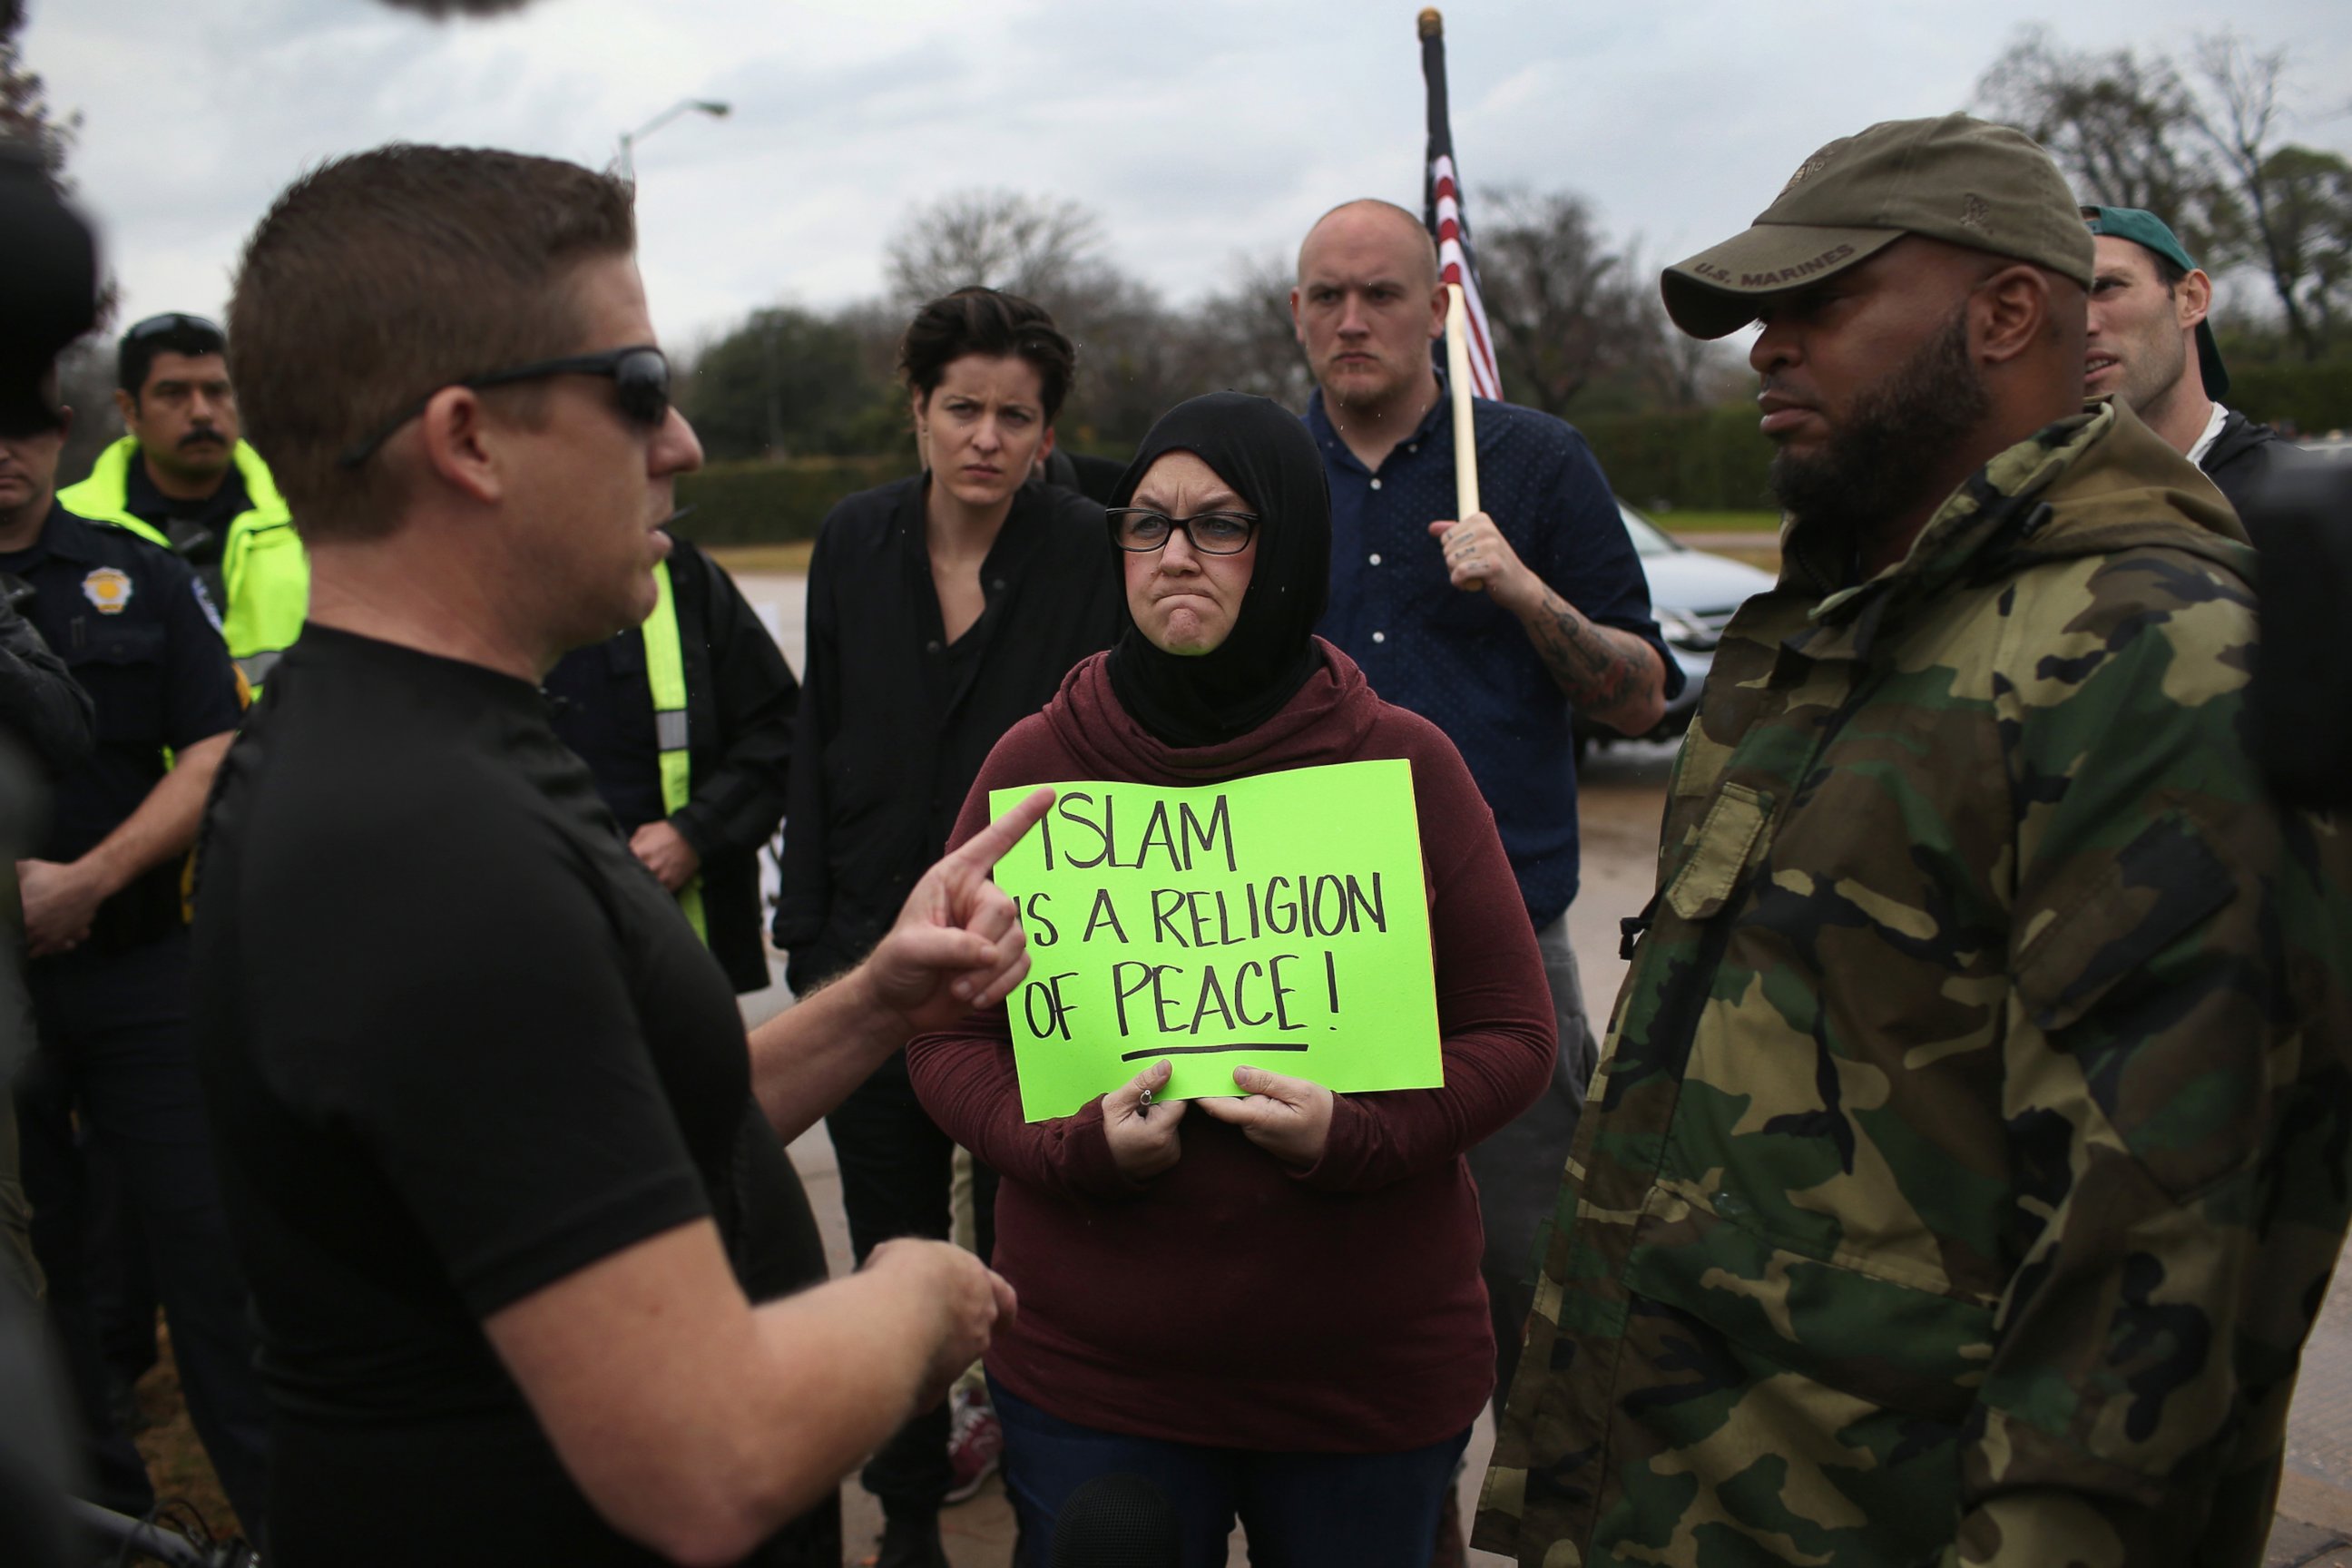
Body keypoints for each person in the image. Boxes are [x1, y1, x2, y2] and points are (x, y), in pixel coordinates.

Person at [1474, 113, 2352, 1568]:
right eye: (1763, 315)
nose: (1765, 348)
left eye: (1818, 304)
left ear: (2007, 312)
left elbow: (2153, 1272)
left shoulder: (2156, 655)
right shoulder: (1839, 634)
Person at [196, 143, 1043, 1567]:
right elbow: (707, 1456)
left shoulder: (429, 751)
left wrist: (881, 1001)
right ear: (468, 441)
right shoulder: (424, 852)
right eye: (639, 388)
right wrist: (915, 1301)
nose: (684, 444)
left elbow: (630, 1128)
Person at [907, 391, 1557, 1567]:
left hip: (1364, 1384)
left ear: (1291, 544)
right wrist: (1069, 1151)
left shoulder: (1402, 765)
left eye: (1220, 524)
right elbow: (942, 1038)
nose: (1172, 555)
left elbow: (1516, 1033)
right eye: (1146, 523)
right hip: (1095, 1383)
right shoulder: (1038, 768)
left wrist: (1357, 1135)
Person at [1289, 198, 1680, 1415]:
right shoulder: (1261, 477)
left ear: (1437, 308)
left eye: (1384, 293)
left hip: (1496, 941)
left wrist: (1520, 587)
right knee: (1339, 1300)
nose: (1354, 319)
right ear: (1295, 313)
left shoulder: (1534, 463)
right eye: (1326, 295)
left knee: (1531, 1274)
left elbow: (1641, 695)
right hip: (1300, 943)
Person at [773, 286, 1120, 1567]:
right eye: (961, 408)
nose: (984, 437)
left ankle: (1051, 1497)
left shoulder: (1092, 548)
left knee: (1040, 1260)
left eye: (1014, 416)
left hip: (1032, 963)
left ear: (1046, 434)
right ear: (916, 411)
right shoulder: (851, 539)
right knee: (894, 1249)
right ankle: (909, 1514)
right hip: (871, 950)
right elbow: (818, 735)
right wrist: (809, 929)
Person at [0, 396, 269, 1524]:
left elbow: (216, 740)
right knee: (34, 1267)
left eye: (16, 422)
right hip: (4, 999)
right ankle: (94, 1516)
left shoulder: (133, 570)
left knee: (206, 1244)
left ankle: (276, 1516)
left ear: (59, 427)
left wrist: (92, 879)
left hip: (139, 968)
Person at [545, 526, 797, 994]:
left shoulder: (683, 577)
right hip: (538, 946)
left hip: (675, 959)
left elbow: (779, 732)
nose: (684, 454)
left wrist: (694, 834)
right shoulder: (477, 579)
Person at [56, 313, 306, 687]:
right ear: (129, 410)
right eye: (173, 393)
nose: (202, 412)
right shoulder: (66, 526)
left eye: (217, 391)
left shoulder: (309, 514)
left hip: (289, 745)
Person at [2081, 205, 2311, 514]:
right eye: (2060, 301)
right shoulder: (2031, 514)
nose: (2082, 325)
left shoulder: (2305, 502)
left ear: (2191, 299)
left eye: (2106, 287)